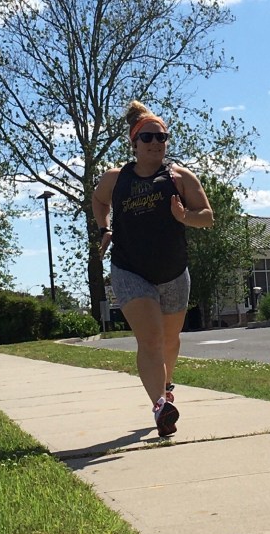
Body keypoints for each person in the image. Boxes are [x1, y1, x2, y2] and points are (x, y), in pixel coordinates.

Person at [92, 101, 214, 437]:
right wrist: (105, 229)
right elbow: (98, 201)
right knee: (151, 340)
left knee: (170, 341)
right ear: (134, 142)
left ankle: (166, 385)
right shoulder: (116, 179)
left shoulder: (179, 178)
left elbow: (207, 216)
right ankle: (160, 405)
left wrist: (184, 217)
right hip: (131, 271)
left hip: (173, 272)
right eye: (148, 137)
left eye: (162, 136)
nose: (156, 142)